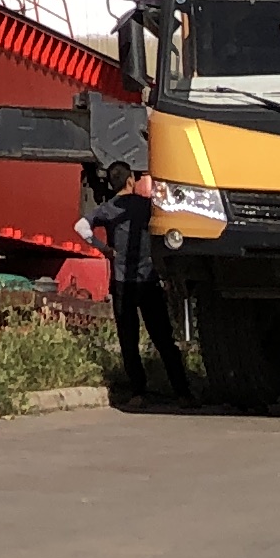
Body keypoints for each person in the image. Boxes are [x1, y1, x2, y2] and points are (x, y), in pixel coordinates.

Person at [79, 162, 190, 405]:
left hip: (122, 284)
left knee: (128, 340)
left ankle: (138, 392)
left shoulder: (107, 209)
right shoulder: (146, 206)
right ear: (130, 181)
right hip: (148, 279)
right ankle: (183, 393)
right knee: (163, 338)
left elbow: (81, 227)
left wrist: (105, 249)